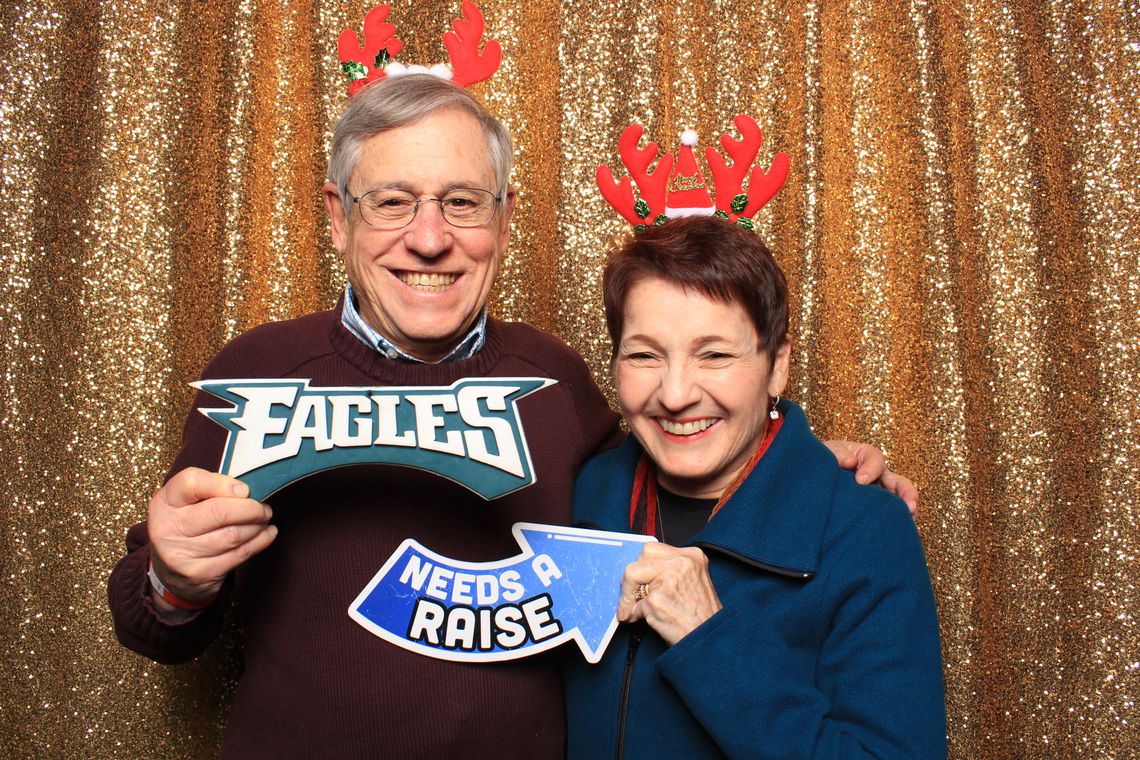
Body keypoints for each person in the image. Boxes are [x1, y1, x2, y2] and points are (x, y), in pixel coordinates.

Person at [108, 74, 914, 758]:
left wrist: (798, 460)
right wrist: (172, 581)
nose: (430, 238)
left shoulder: (555, 382)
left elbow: (673, 451)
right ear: (337, 214)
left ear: (502, 218)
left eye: (462, 202)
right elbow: (156, 627)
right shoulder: (255, 374)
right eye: (393, 201)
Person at [564, 216, 946, 759]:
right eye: (644, 354)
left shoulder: (865, 531)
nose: (675, 395)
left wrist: (708, 639)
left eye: (715, 354)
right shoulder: (580, 493)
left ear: (777, 366)